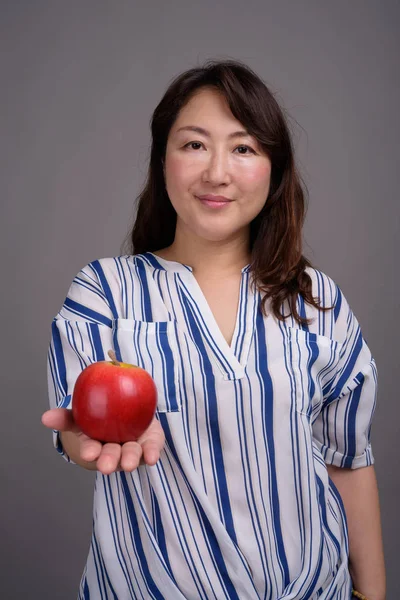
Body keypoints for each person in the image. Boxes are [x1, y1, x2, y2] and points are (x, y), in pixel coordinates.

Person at [41, 59, 386, 600]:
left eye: (244, 148)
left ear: (274, 168)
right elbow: (78, 422)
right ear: (163, 160)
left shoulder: (317, 301)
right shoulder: (105, 291)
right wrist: (83, 434)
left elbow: (348, 463)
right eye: (194, 145)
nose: (217, 173)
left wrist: (371, 594)